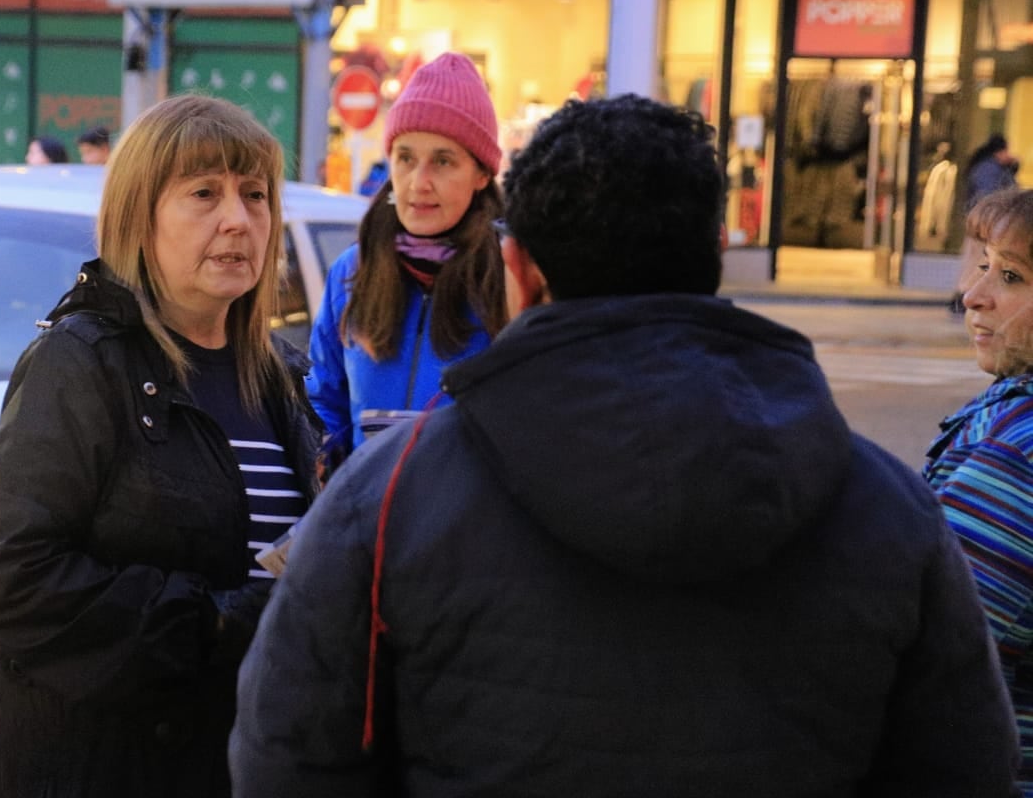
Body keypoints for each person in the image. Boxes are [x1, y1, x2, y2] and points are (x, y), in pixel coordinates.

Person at [232, 95, 1019, 797]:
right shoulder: (886, 505)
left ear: (516, 271)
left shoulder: (392, 496)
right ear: (715, 256)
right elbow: (966, 764)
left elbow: (290, 757)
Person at [0, 94, 322, 798]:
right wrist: (221, 623)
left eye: (255, 196)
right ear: (141, 215)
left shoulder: (281, 375)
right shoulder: (80, 363)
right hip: (103, 766)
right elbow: (17, 579)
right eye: (204, 193)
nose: (238, 218)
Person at [307, 50, 506, 463]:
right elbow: (324, 403)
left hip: (466, 524)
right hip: (365, 520)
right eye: (406, 158)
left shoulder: (508, 279)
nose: (419, 182)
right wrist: (324, 459)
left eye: (443, 161)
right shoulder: (352, 272)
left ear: (482, 174)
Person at [925, 186, 1033, 797]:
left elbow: (938, 644)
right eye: (985, 264)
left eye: (1011, 276)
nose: (975, 295)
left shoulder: (1020, 448)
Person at [955, 134, 1021, 314]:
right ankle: (962, 299)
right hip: (986, 224)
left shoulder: (989, 167)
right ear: (999, 151)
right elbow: (993, 196)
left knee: (975, 261)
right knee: (977, 262)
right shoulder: (989, 169)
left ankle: (962, 298)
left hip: (983, 223)